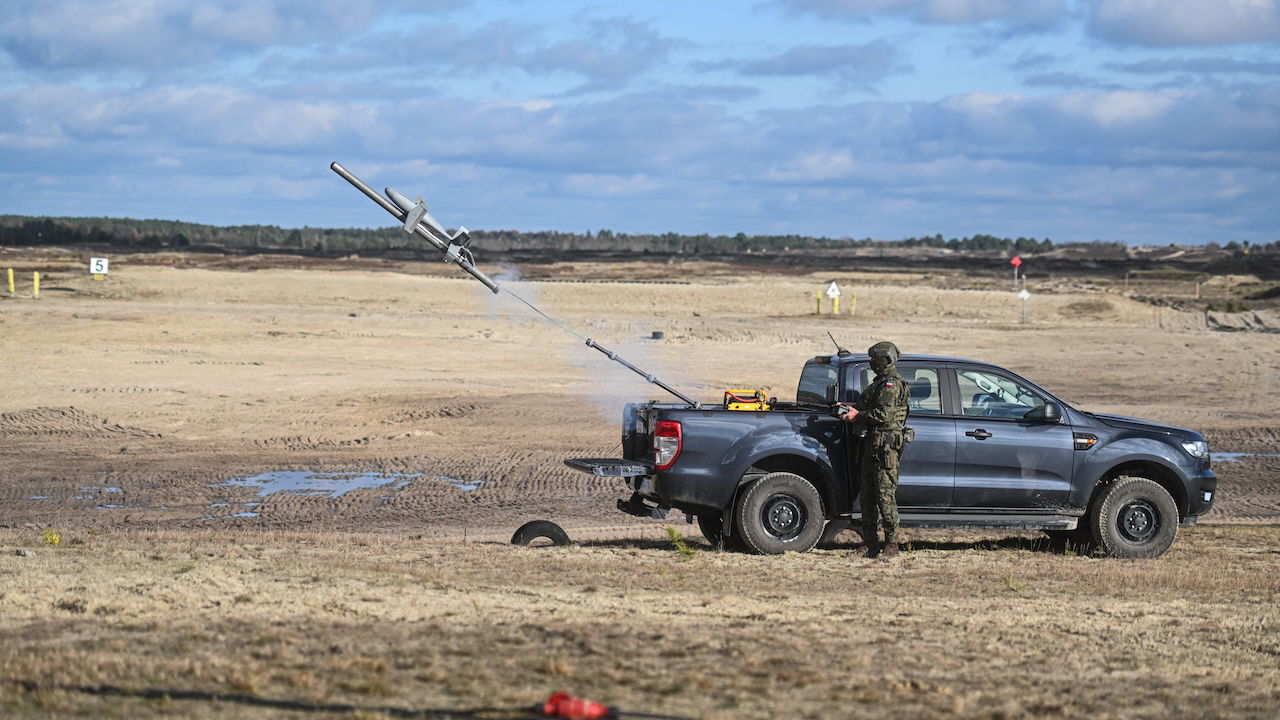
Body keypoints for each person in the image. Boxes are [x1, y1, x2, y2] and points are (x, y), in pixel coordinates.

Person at [836, 341, 911, 559]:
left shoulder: (892, 385)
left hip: (886, 447)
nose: (871, 363)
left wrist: (856, 416)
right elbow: (871, 408)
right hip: (871, 446)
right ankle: (870, 543)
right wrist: (851, 409)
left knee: (885, 496)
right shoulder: (878, 384)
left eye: (874, 359)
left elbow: (883, 415)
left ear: (884, 360)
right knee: (868, 498)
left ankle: (892, 545)